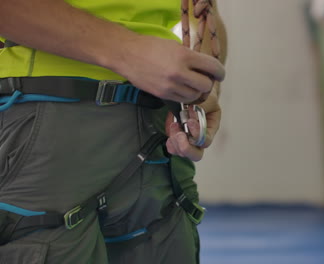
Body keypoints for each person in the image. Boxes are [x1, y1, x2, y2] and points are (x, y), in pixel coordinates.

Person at [0, 0, 226, 263]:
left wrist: (199, 89)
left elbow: (205, 14)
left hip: (159, 133)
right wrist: (130, 53)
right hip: (49, 129)